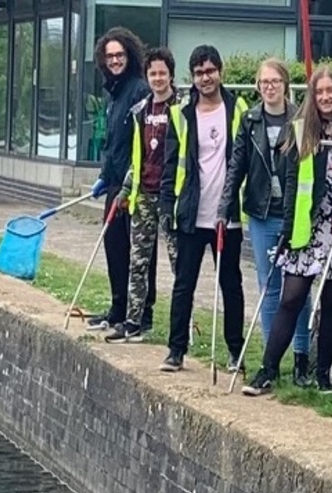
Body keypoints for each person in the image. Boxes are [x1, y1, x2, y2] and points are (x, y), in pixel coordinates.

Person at [242, 66, 332, 396]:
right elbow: (292, 184)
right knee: (291, 297)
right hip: (307, 227)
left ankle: (323, 375)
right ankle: (268, 368)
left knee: (331, 301)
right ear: (311, 96)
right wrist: (288, 229)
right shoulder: (301, 130)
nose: (325, 97)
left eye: (330, 91)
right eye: (319, 92)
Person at [218, 58, 312, 386]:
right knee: (269, 287)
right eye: (263, 82)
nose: (268, 87)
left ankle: (302, 356)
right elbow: (237, 165)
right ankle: (272, 361)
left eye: (274, 81)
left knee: (298, 290)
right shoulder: (250, 120)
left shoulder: (301, 120)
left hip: (295, 217)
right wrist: (224, 205)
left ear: (285, 84)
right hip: (260, 214)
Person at [157, 45, 249, 372]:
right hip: (192, 214)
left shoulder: (238, 108)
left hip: (228, 216)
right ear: (192, 77)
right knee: (184, 283)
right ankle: (175, 350)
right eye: (198, 73)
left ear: (219, 72)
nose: (205, 77)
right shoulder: (181, 113)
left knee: (231, 285)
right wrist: (167, 205)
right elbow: (170, 165)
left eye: (210, 71)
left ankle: (235, 352)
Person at [106, 47, 179, 344]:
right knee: (138, 262)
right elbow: (138, 157)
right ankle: (133, 321)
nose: (158, 78)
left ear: (171, 75)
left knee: (179, 265)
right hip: (144, 194)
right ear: (147, 76)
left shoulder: (183, 109)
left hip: (171, 197)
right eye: (153, 73)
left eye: (162, 73)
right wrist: (126, 189)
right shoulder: (141, 111)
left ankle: (180, 325)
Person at [86, 27, 151, 333]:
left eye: (120, 55)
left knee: (136, 253)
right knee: (113, 246)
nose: (115, 60)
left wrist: (128, 184)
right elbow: (113, 144)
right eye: (110, 56)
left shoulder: (139, 90)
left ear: (130, 56)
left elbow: (142, 142)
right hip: (114, 183)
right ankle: (116, 309)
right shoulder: (112, 94)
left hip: (133, 185)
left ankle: (139, 314)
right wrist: (103, 178)